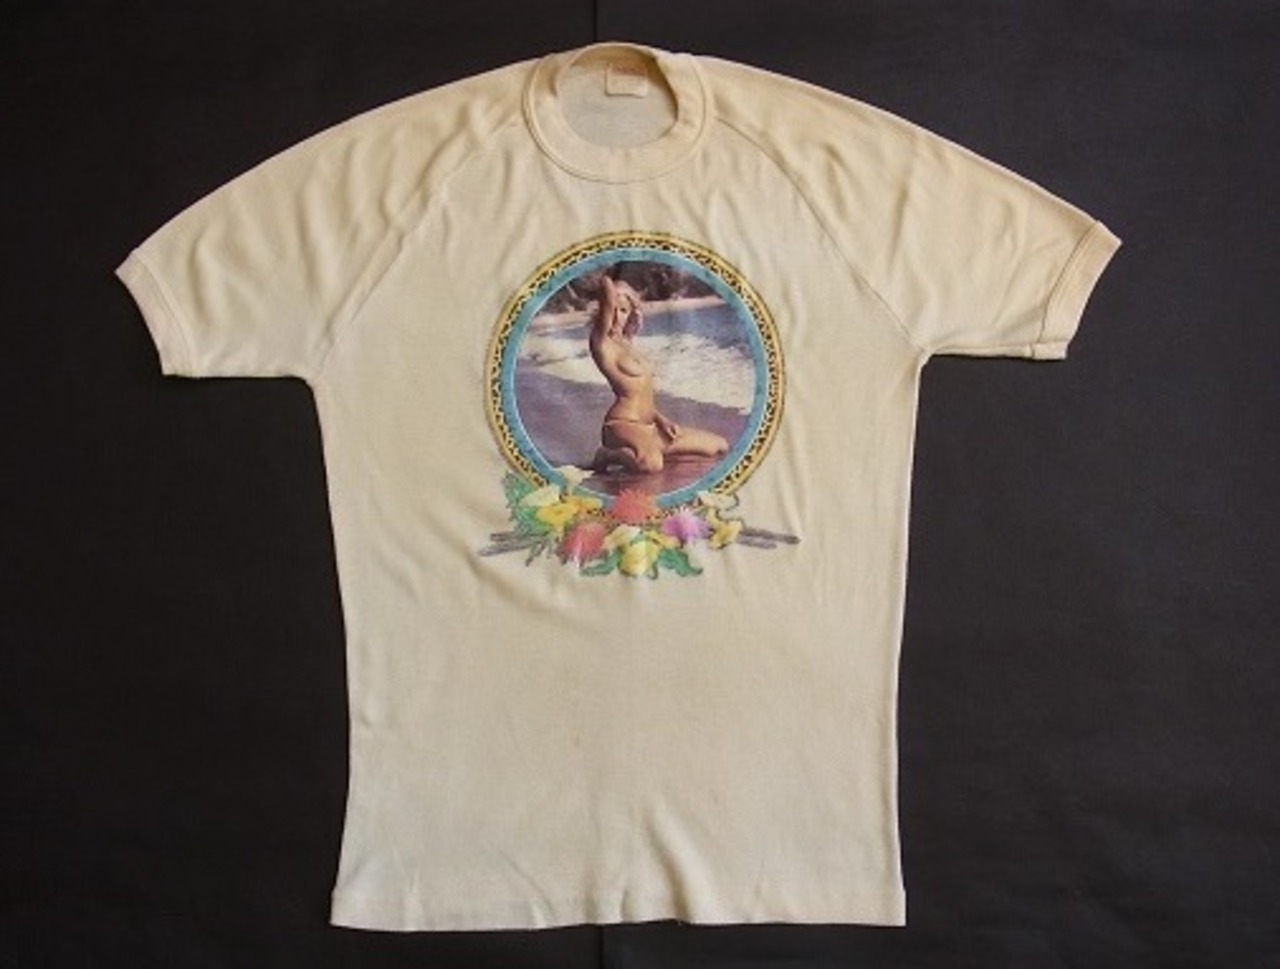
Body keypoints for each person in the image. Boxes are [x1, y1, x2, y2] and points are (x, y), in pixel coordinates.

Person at [589, 273, 729, 475]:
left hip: (651, 427)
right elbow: (607, 287)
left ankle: (647, 449)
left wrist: (662, 420)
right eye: (614, 309)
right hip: (622, 425)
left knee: (718, 446)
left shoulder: (628, 345)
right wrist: (606, 273)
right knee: (652, 465)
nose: (617, 315)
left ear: (631, 313)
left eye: (624, 310)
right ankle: (609, 454)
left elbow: (642, 392)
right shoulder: (602, 342)